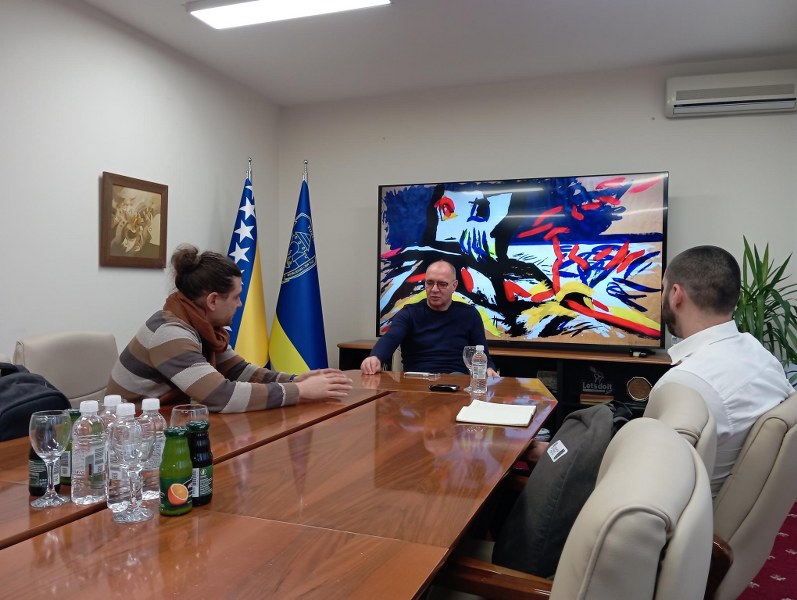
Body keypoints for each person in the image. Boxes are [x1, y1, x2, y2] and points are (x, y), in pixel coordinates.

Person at [107, 244, 352, 412]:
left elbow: (240, 371)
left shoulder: (202, 325)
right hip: (131, 436)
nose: (240, 304)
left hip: (167, 422)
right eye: (236, 297)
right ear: (213, 300)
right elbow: (219, 395)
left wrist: (296, 380)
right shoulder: (169, 333)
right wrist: (299, 390)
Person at [652, 245, 793, 495]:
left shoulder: (682, 386)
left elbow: (652, 485)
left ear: (675, 295)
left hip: (693, 514)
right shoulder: (761, 356)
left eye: (663, 289)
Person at [361, 260, 498, 375]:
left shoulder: (469, 314)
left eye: (442, 284)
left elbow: (482, 354)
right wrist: (375, 357)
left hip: (455, 381)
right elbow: (391, 337)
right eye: (429, 283)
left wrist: (489, 369)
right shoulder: (409, 313)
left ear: (454, 286)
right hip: (417, 382)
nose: (434, 289)